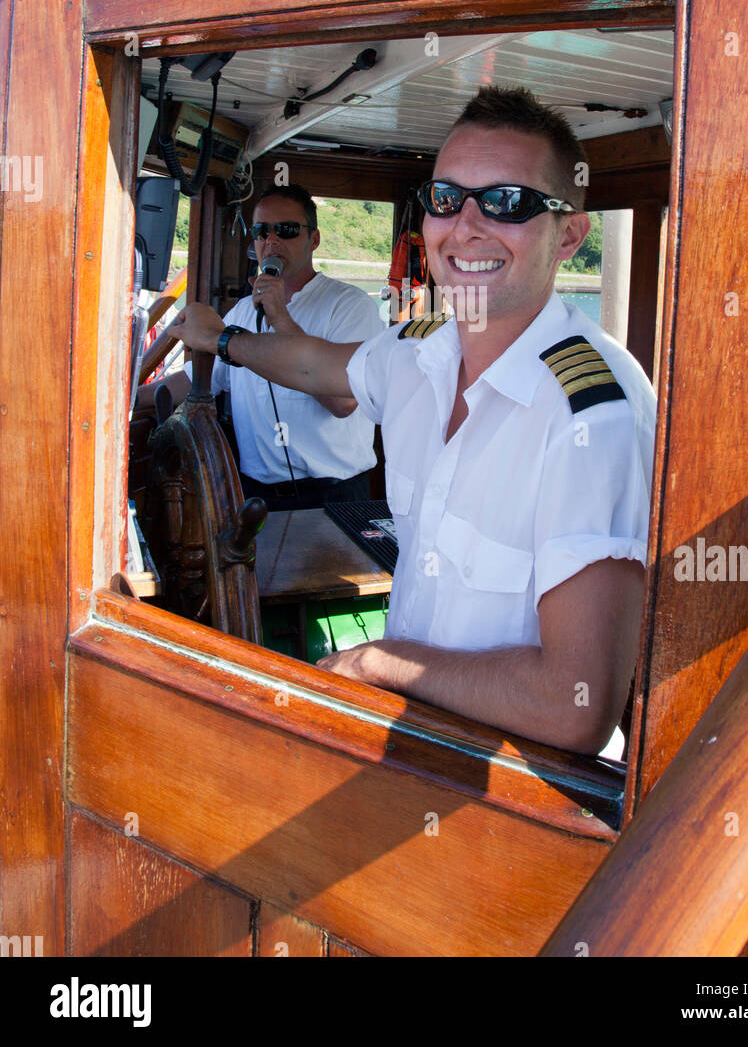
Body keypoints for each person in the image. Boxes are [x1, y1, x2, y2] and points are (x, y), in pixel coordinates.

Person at [175, 88, 657, 754]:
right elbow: (317, 366)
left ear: (569, 234)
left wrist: (376, 663)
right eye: (444, 199)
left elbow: (574, 705)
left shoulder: (592, 416)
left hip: (516, 790)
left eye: (507, 203)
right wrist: (225, 343)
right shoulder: (417, 352)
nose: (466, 225)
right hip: (409, 741)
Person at [183, 183, 384, 509]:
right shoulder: (244, 311)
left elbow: (344, 402)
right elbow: (203, 377)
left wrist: (279, 316)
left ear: (313, 239)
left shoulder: (350, 306)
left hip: (333, 493)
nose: (271, 240)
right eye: (261, 231)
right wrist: (131, 396)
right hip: (256, 494)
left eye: (286, 230)